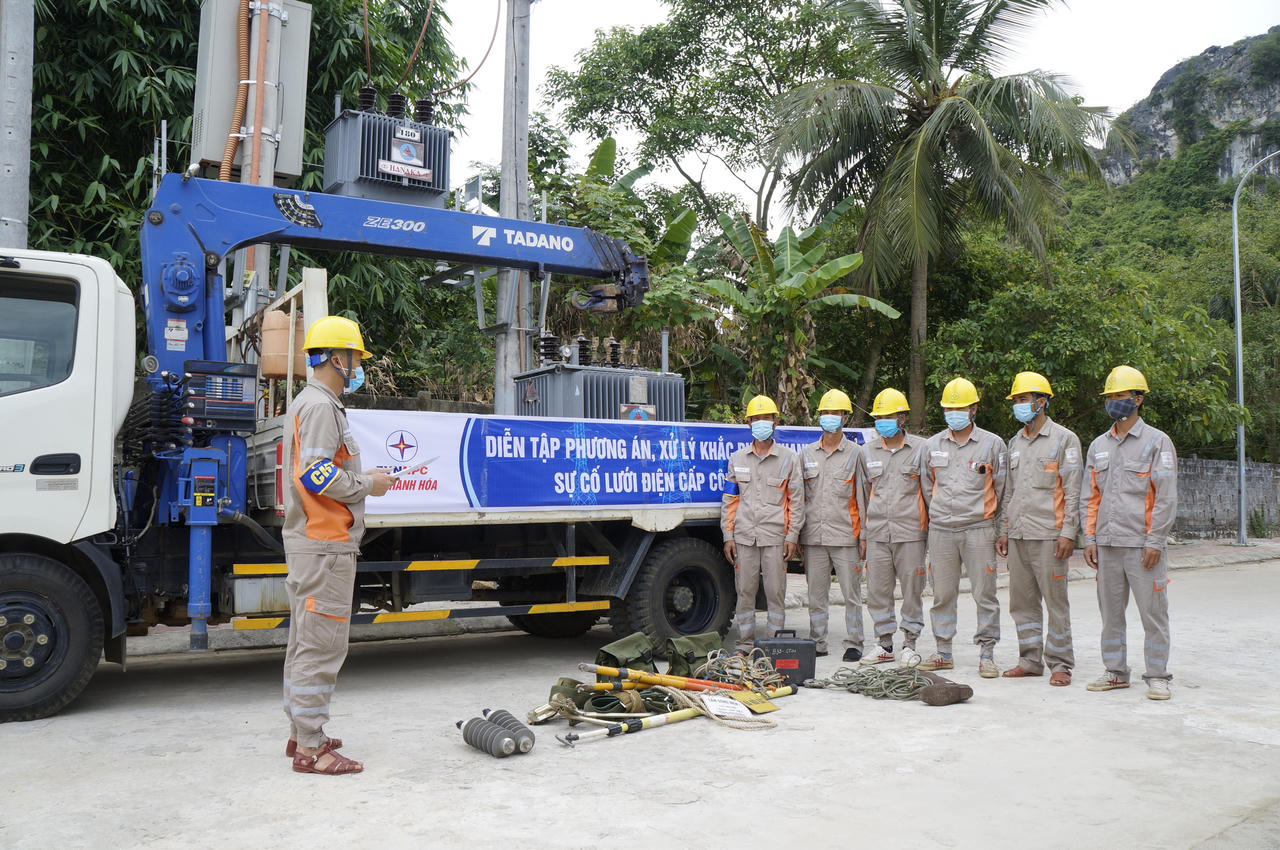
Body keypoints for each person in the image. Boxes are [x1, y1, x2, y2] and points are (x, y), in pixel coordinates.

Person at [282, 316, 393, 774]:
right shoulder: (322, 407)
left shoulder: (308, 403)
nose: (358, 365)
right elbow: (317, 474)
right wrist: (370, 483)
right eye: (355, 358)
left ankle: (301, 732)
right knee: (322, 645)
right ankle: (312, 748)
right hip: (325, 544)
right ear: (336, 358)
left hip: (313, 541)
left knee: (305, 641)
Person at [1081, 366, 1177, 701]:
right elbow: (1090, 496)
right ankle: (1115, 672)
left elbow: (1165, 495)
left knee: (1153, 614)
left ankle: (1158, 675)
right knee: (1110, 614)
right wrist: (1089, 538)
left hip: (1142, 546)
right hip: (1107, 545)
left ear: (1138, 399)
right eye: (1110, 397)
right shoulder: (1098, 446)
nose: (1114, 402)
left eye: (1120, 396)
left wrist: (1156, 540)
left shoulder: (1156, 442)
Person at [995, 372, 1083, 687]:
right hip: (1018, 535)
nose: (1019, 405)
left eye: (1023, 399)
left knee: (1055, 601)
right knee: (1022, 602)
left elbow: (1073, 490)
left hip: (1050, 535)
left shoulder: (1064, 439)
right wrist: (1003, 528)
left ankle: (1060, 664)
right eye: (1016, 400)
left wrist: (1068, 532)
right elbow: (1009, 491)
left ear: (1041, 401)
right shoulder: (1014, 442)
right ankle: (1030, 660)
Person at [918, 378, 1006, 678]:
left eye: (960, 408)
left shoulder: (992, 444)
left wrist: (1000, 527)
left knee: (985, 593)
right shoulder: (932, 445)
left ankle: (987, 653)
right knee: (942, 593)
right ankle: (943, 652)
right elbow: (927, 485)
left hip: (979, 528)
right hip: (942, 529)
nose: (953, 413)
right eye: (948, 408)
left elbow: (1003, 488)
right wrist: (939, 514)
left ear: (974, 409)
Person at [721, 395, 805, 654]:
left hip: (775, 539)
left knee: (775, 594)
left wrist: (792, 536)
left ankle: (774, 643)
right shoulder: (737, 459)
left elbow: (796, 501)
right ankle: (745, 644)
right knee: (744, 592)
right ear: (748, 424)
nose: (761, 423)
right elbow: (730, 499)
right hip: (744, 537)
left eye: (765, 418)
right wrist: (728, 535)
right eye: (755, 419)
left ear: (775, 422)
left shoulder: (789, 459)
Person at [857, 388, 928, 668]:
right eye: (879, 417)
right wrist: (864, 533)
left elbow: (928, 491)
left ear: (902, 418)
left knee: (912, 589)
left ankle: (910, 644)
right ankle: (884, 644)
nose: (882, 421)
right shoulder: (867, 452)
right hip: (877, 534)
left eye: (888, 416)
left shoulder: (921, 449)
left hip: (910, 532)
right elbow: (863, 495)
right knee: (877, 591)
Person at [799, 389, 864, 660]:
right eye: (825, 413)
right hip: (813, 537)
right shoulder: (805, 454)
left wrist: (864, 536)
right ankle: (818, 642)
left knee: (852, 594)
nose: (830, 418)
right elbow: (800, 497)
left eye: (835, 413)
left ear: (845, 418)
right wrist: (798, 536)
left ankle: (854, 642)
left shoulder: (856, 454)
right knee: (816, 595)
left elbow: (862, 496)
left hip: (846, 537)